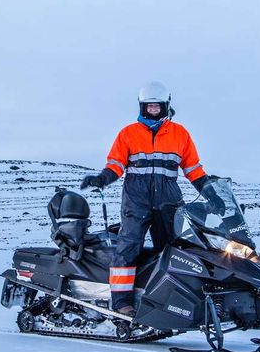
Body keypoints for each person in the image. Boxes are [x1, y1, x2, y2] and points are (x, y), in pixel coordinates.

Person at [81, 82, 223, 316]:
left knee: (174, 249)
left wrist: (211, 194)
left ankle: (169, 299)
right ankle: (121, 302)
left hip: (169, 202)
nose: (153, 109)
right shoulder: (128, 133)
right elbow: (115, 164)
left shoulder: (180, 134)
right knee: (129, 246)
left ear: (166, 105)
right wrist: (102, 179)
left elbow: (194, 170)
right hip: (137, 200)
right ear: (142, 106)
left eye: (157, 106)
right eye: (149, 106)